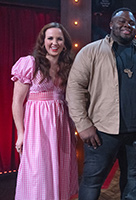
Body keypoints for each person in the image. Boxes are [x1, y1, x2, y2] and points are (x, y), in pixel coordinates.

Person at [66, 7, 136, 200]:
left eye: (131, 23)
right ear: (111, 24)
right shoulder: (91, 51)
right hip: (101, 132)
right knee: (92, 181)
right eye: (122, 21)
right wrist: (84, 125)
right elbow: (75, 87)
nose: (127, 25)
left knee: (131, 179)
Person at [11, 22, 78, 200]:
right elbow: (17, 102)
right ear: (43, 41)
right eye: (50, 38)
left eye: (59, 39)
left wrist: (73, 128)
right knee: (38, 172)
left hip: (61, 126)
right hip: (37, 128)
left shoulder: (67, 67)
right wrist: (21, 133)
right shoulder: (29, 64)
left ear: (64, 44)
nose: (54, 43)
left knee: (60, 169)